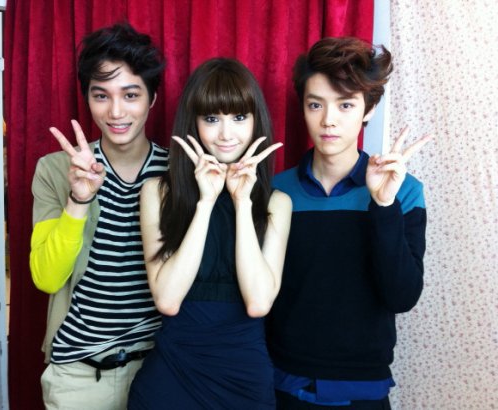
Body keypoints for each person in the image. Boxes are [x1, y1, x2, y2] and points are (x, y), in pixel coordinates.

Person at [265, 37, 432, 409]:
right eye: (315, 105)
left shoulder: (404, 191)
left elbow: (402, 296)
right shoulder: (276, 191)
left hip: (363, 389)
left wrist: (383, 205)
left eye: (345, 105)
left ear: (368, 109)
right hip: (282, 384)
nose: (328, 120)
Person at [127, 58, 292, 409]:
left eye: (239, 117)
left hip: (243, 378)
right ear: (194, 122)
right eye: (212, 119)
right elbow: (167, 300)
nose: (226, 134)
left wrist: (242, 202)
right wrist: (205, 202)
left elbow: (258, 302)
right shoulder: (157, 192)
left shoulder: (277, 203)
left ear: (256, 121)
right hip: (171, 378)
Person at [29, 23, 168, 410]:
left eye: (131, 94)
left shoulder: (179, 172)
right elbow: (46, 277)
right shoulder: (55, 169)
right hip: (78, 375)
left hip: (161, 368)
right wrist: (79, 198)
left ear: (152, 99)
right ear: (88, 99)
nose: (116, 111)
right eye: (101, 95)